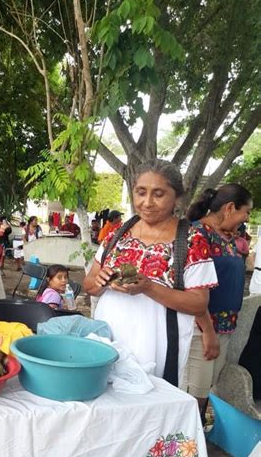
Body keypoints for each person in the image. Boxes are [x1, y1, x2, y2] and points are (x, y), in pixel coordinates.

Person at [83, 159, 218, 386]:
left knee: (146, 408)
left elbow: (197, 304)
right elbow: (89, 286)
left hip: (157, 349)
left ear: (177, 197)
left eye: (158, 194)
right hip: (108, 339)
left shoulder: (192, 241)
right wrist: (103, 280)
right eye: (140, 192)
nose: (147, 202)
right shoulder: (118, 234)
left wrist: (149, 287)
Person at [182, 184, 253, 418]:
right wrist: (209, 332)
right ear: (230, 208)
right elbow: (194, 290)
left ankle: (196, 445)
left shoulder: (228, 237)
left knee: (204, 394)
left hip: (224, 327)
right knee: (193, 396)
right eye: (247, 212)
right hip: (201, 329)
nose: (247, 218)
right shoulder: (198, 234)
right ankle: (186, 448)